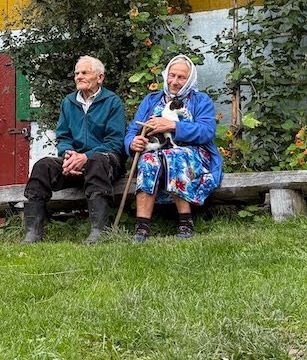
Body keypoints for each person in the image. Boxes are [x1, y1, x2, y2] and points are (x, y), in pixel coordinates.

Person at [22, 55, 127, 245]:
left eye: (84, 72)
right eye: (77, 73)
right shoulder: (68, 102)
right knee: (42, 166)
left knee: (97, 161)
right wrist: (69, 155)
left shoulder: (112, 102)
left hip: (106, 162)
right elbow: (63, 136)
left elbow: (115, 141)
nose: (79, 76)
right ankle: (33, 233)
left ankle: (99, 231)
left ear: (100, 77)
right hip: (74, 162)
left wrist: (85, 157)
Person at [124, 54, 222, 241]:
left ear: (189, 79)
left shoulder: (200, 101)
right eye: (172, 75)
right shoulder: (152, 100)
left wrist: (173, 126)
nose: (174, 81)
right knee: (148, 159)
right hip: (156, 150)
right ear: (166, 75)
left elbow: (207, 131)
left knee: (174, 155)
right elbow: (133, 130)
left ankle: (185, 222)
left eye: (181, 77)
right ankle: (141, 227)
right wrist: (132, 142)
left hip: (193, 154)